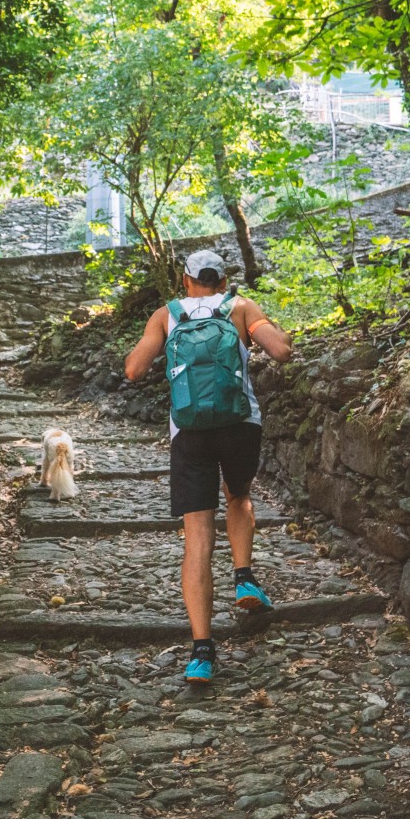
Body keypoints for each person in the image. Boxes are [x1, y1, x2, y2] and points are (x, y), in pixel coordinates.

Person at [124, 249, 292, 683]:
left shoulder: (167, 314)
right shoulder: (240, 307)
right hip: (240, 425)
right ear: (222, 280)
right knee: (239, 496)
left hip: (189, 432)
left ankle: (202, 651)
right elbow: (280, 351)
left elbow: (134, 370)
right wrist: (277, 333)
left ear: (186, 280)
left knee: (197, 535)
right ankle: (245, 578)